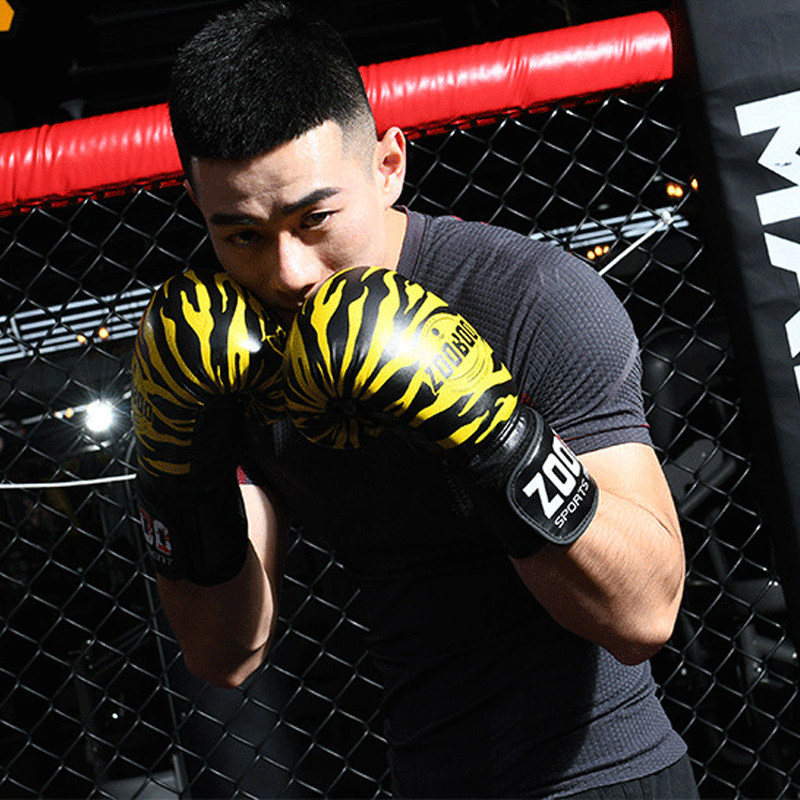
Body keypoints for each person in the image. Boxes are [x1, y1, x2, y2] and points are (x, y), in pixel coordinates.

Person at [132, 1, 699, 796]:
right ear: (200, 206)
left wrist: (493, 435)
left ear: (389, 165)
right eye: (243, 235)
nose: (289, 272)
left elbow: (645, 616)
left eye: (315, 218)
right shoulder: (233, 347)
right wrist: (176, 465)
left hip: (604, 776)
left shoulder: (530, 299)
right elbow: (224, 652)